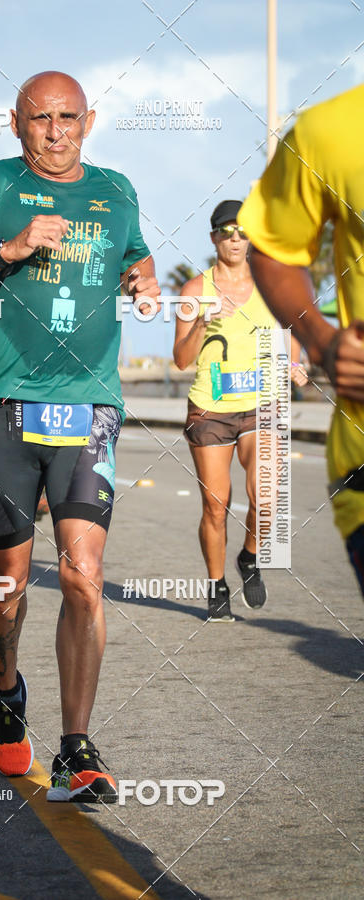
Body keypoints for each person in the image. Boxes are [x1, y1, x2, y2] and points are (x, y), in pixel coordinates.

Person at [0, 71, 158, 802]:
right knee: (9, 589)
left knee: (84, 575)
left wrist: (143, 282)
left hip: (90, 404)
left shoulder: (116, 191)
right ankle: (6, 687)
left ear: (91, 119)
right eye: (40, 119)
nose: (56, 133)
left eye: (68, 118)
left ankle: (76, 747)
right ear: (15, 122)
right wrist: (6, 253)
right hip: (3, 404)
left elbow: (133, 254)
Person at [239, 84, 364, 596]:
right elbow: (273, 249)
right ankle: (237, 568)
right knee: (228, 496)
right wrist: (323, 341)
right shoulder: (330, 130)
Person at [173, 201, 306, 621]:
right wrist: (201, 322)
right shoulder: (196, 290)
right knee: (217, 504)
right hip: (210, 409)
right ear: (214, 237)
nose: (235, 238)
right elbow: (180, 358)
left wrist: (294, 364)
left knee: (265, 499)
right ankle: (216, 585)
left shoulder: (272, 285)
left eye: (243, 231)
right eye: (226, 230)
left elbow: (292, 329)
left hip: (261, 403)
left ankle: (249, 558)